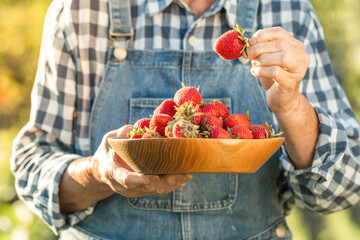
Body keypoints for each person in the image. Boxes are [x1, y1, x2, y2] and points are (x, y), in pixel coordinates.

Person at [10, 0, 360, 239]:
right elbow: (31, 168)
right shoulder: (83, 10)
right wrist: (99, 173)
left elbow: (340, 190)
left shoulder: (286, 9)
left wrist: (292, 107)